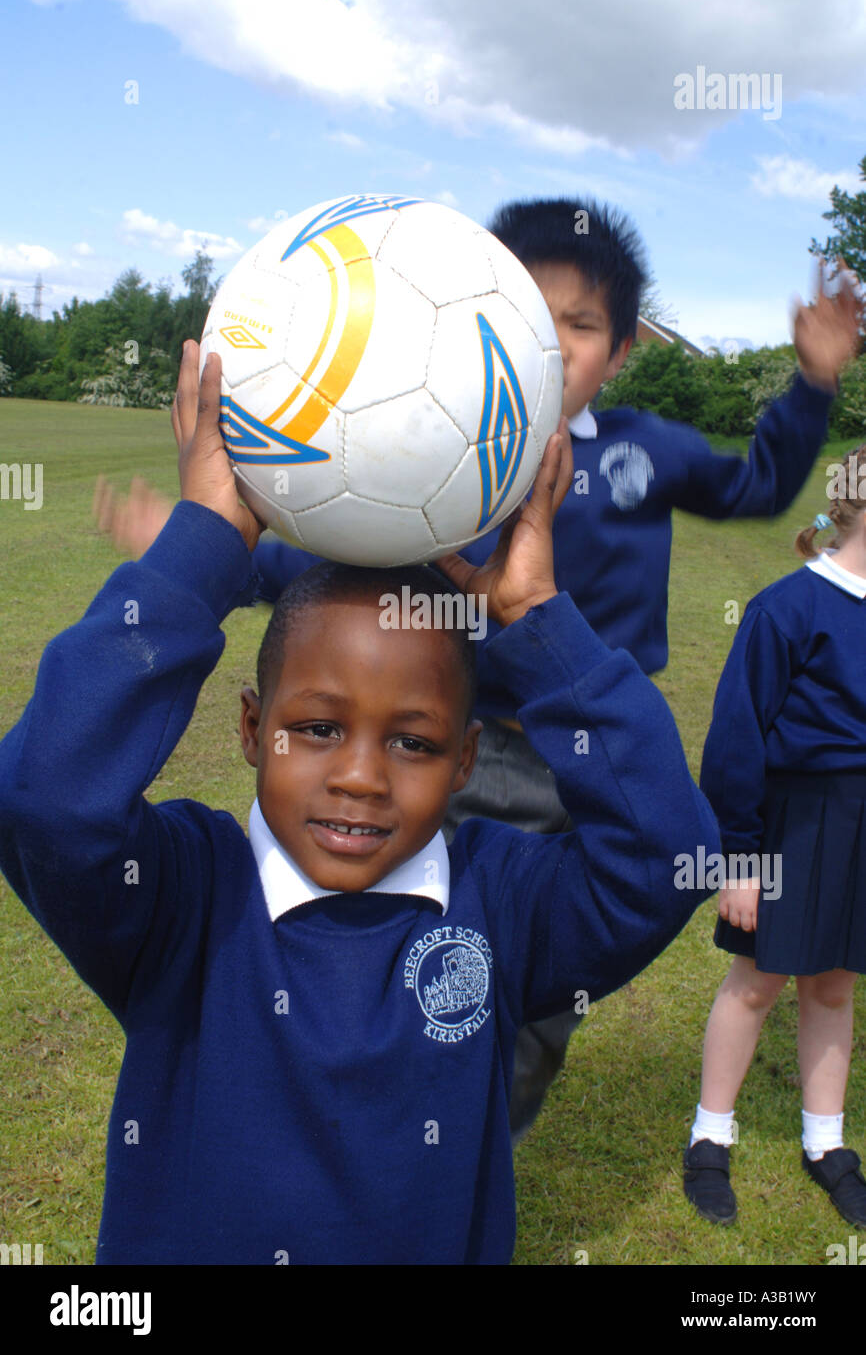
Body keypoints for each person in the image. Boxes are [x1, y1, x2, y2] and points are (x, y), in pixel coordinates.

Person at [91, 200, 862, 1142]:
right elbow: (343, 570)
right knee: (400, 948)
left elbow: (753, 488)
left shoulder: (644, 449)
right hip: (444, 755)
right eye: (530, 315)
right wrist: (203, 554)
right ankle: (377, 1111)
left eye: (578, 327)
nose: (548, 346)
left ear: (619, 352)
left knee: (536, 983)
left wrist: (814, 385)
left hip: (580, 772)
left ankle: (479, 1128)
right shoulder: (424, 457)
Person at [0, 341, 719, 1265]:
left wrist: (537, 618)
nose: (362, 778)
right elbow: (44, 797)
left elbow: (667, 857)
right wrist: (202, 547)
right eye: (319, 729)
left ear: (465, 761)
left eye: (414, 743)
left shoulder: (496, 901)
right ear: (254, 730)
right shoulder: (182, 897)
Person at [683, 441, 866, 1228]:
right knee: (758, 981)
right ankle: (709, 1137)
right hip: (791, 822)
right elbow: (734, 742)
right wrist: (742, 860)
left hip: (861, 822)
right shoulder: (785, 609)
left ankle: (826, 1144)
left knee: (834, 981)